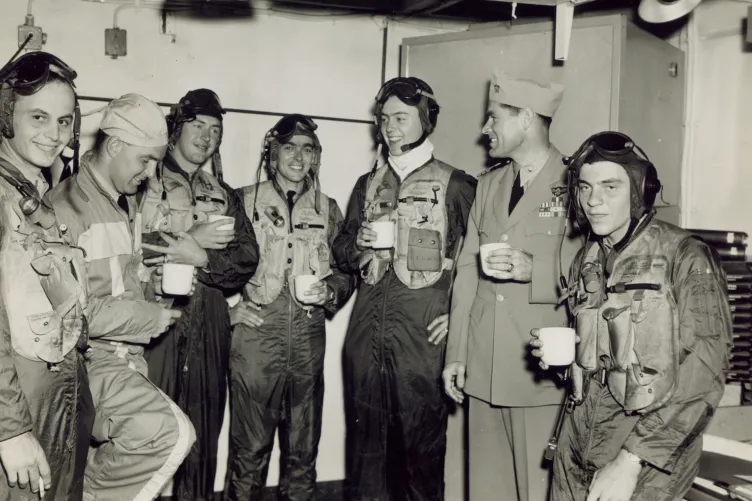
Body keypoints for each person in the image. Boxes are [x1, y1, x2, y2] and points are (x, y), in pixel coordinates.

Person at [529, 131, 732, 501]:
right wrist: (563, 359)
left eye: (610, 187)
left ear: (641, 191)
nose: (593, 201)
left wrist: (631, 460)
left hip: (647, 451)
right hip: (577, 440)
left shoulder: (687, 257)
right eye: (585, 188)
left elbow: (704, 376)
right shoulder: (587, 256)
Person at [332, 77, 477, 500]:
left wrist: (459, 314)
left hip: (421, 335)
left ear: (426, 119)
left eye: (400, 117)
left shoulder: (458, 186)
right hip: (366, 330)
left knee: (420, 452)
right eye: (383, 118)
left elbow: (480, 262)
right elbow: (340, 249)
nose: (389, 127)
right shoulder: (367, 184)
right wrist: (355, 243)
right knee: (364, 451)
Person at [48, 93, 197, 501]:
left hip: (126, 358)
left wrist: (152, 282)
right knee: (170, 433)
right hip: (88, 361)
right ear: (114, 146)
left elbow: (115, 280)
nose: (150, 173)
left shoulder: (121, 202)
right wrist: (150, 318)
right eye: (145, 160)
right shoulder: (65, 210)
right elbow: (70, 313)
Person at [442, 71, 579, 501]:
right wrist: (457, 354)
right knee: (487, 491)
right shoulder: (488, 185)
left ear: (525, 119)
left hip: (539, 375)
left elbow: (592, 272)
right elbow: (467, 271)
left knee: (539, 493)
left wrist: (532, 269)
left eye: (493, 118)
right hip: (484, 370)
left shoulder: (578, 183)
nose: (485, 130)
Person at [223, 113, 356, 501]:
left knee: (303, 446)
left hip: (307, 337)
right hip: (256, 336)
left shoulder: (328, 209)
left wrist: (330, 291)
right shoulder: (242, 200)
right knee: (249, 447)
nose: (298, 158)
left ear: (317, 157)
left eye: (308, 149)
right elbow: (209, 262)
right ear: (272, 154)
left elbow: (347, 270)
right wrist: (227, 312)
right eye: (289, 148)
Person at [140, 88, 259, 501]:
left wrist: (202, 259)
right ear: (177, 127)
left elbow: (247, 259)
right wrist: (188, 240)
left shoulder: (223, 193)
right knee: (147, 433)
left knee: (203, 435)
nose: (207, 136)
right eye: (198, 125)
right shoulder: (144, 177)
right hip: (156, 319)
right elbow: (126, 243)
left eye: (215, 129)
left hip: (208, 320)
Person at [0, 50, 94, 501]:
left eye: (63, 121)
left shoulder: (37, 194)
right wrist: (9, 428)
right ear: (5, 115)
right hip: (18, 402)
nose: (54, 134)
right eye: (38, 116)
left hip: (56, 392)